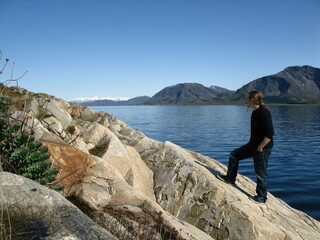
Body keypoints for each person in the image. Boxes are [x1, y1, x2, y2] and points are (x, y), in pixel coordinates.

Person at [217, 90, 274, 203]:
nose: (246, 101)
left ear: (252, 100)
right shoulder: (255, 112)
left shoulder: (263, 112)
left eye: (248, 99)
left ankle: (261, 197)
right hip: (252, 145)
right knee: (234, 155)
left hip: (262, 148)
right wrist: (254, 145)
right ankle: (230, 178)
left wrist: (261, 147)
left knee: (260, 173)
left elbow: (270, 133)